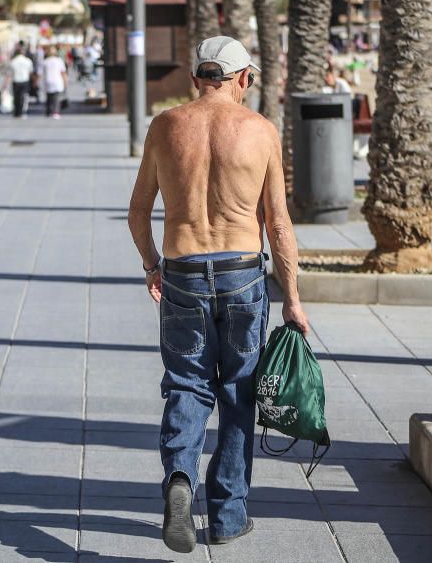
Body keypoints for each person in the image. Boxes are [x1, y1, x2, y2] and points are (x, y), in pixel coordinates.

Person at [127, 36, 309, 553]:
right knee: (238, 393)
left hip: (182, 269)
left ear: (196, 79)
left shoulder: (165, 126)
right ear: (243, 79)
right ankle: (228, 515)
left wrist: (152, 265)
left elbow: (138, 211)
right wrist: (292, 296)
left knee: (186, 385)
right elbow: (278, 224)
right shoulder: (261, 131)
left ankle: (180, 482)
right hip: (242, 275)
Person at [5, 46, 34, 118]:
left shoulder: (13, 61)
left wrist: (5, 85)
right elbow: (30, 72)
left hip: (16, 81)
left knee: (16, 97)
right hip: (25, 80)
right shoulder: (28, 61)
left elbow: (9, 74)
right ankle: (21, 112)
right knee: (23, 97)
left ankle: (16, 112)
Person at [41, 45, 68, 119]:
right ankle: (55, 112)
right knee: (56, 98)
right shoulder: (59, 61)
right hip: (57, 81)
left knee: (49, 97)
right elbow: (63, 73)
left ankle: (48, 111)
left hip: (48, 81)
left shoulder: (45, 61)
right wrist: (65, 82)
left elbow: (41, 73)